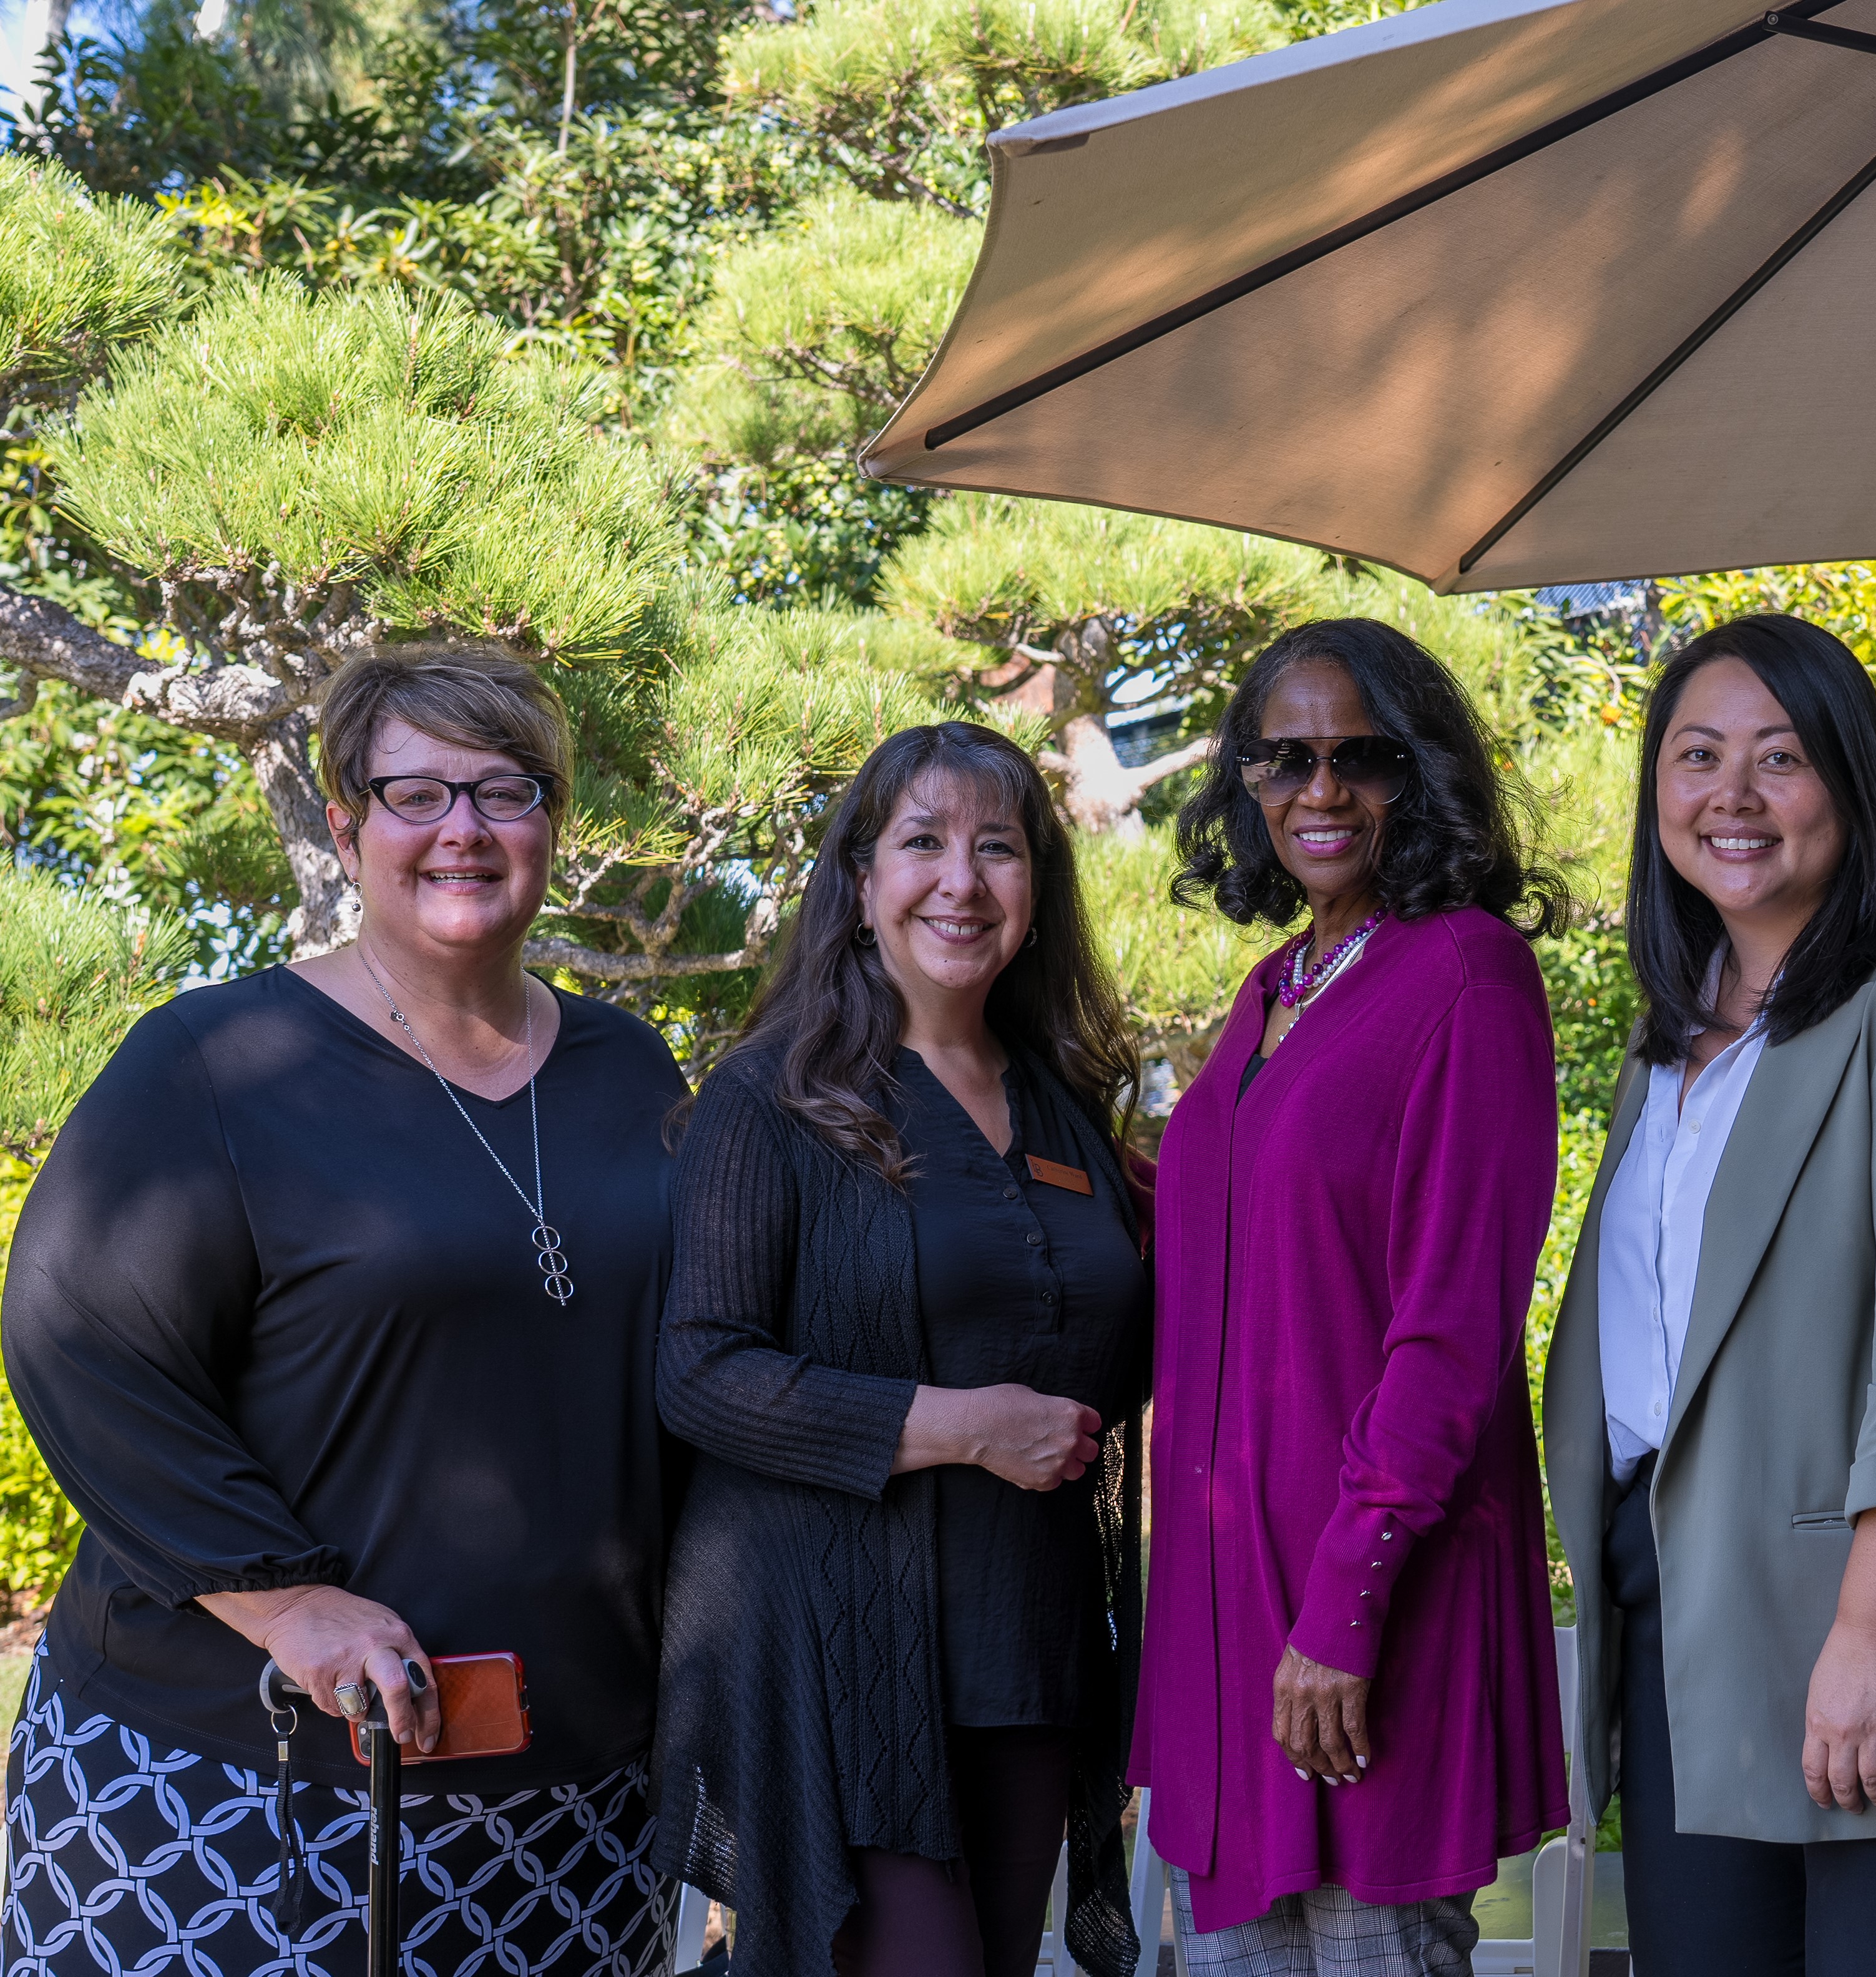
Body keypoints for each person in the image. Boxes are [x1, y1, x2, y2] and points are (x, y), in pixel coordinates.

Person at [1, 647, 686, 1975]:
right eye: (417, 795)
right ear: (344, 824)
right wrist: (284, 1602)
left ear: (555, 820)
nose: (465, 832)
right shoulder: (212, 1063)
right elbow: (77, 1332)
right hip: (230, 1785)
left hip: (575, 1798)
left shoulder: (629, 1069)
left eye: (508, 791)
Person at [1541, 613, 1876, 1977]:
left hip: (1875, 1621)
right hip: (1684, 1626)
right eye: (1698, 755)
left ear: (1852, 782)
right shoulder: (1667, 1046)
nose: (1732, 794)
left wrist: (1871, 1637)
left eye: (1780, 758)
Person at [650, 721, 1151, 1977]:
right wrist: (964, 1425)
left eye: (999, 848)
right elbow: (701, 1369)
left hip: (1028, 1653)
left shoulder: (1068, 1109)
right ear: (860, 883)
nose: (961, 882)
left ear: (1039, 889)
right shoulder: (772, 1098)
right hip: (842, 1660)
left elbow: (1113, 1350)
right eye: (922, 843)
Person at [1138, 618, 1568, 1973]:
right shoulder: (1274, 989)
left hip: (1361, 1615)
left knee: (1373, 1937)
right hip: (1224, 1618)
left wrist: (1346, 1605)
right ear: (1244, 782)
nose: (1319, 792)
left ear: (1419, 773)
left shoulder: (1466, 974)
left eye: (1361, 757)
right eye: (1283, 759)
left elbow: (1453, 1331)